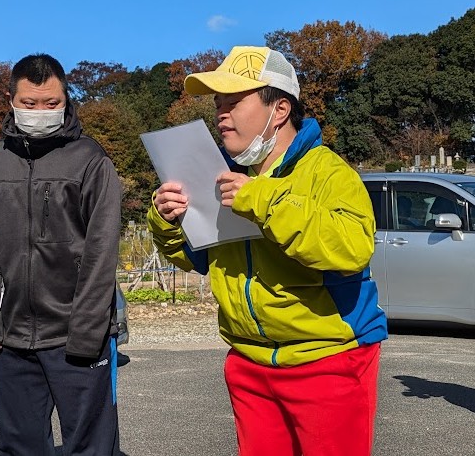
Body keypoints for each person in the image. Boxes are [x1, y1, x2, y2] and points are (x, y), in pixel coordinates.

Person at [147, 46, 388, 456]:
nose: (221, 114)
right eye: (218, 104)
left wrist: (263, 198)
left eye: (233, 102)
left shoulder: (329, 171)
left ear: (280, 109)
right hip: (248, 362)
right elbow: (195, 259)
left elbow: (351, 249)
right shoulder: (219, 175)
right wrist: (166, 220)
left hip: (329, 359)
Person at [0, 53, 122, 456]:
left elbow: (101, 252)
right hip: (13, 339)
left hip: (77, 336)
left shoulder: (90, 159)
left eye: (52, 103)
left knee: (91, 447)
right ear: (11, 100)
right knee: (20, 447)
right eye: (30, 103)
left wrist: (87, 333)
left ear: (66, 99)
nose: (40, 112)